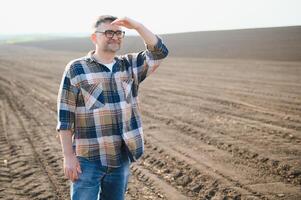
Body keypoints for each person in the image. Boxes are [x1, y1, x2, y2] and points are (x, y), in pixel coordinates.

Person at [56, 15, 168, 200]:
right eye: (108, 32)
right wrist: (68, 156)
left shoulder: (129, 66)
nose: (114, 36)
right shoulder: (76, 69)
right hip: (87, 159)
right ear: (94, 37)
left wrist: (137, 26)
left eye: (118, 32)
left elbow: (159, 52)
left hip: (120, 158)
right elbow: (65, 117)